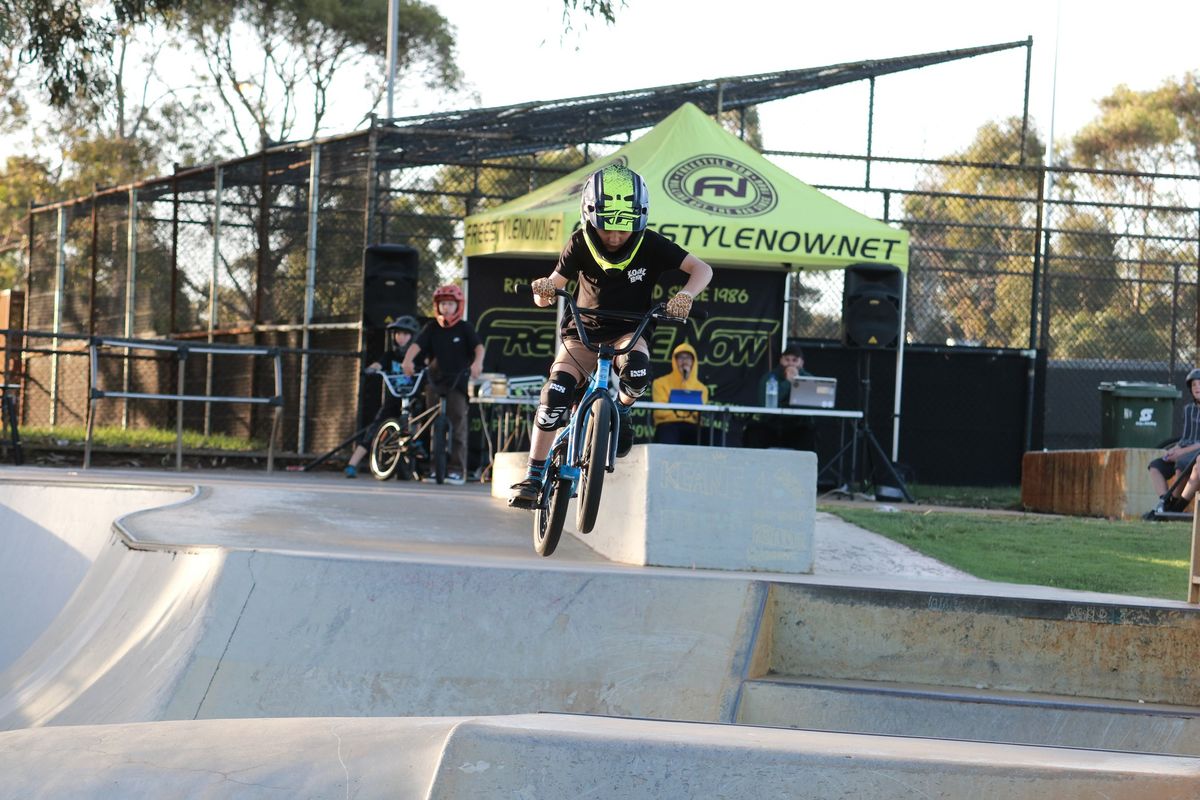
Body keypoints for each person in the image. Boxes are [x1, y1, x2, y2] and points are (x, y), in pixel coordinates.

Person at [507, 163, 713, 509]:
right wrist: (541, 291)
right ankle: (533, 475)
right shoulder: (578, 243)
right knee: (554, 396)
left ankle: (621, 410)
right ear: (590, 218)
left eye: (625, 229)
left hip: (630, 330)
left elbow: (702, 269)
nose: (616, 237)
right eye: (607, 229)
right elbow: (550, 290)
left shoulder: (650, 244)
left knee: (636, 373)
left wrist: (685, 295)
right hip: (583, 332)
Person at [401, 284, 484, 486]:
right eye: (442, 304)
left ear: (458, 306)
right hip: (435, 382)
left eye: (450, 304)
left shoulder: (465, 328)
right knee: (433, 426)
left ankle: (456, 470)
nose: (446, 308)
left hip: (457, 382)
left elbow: (479, 347)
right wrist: (408, 360)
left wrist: (477, 363)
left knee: (457, 426)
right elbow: (416, 345)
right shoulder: (432, 328)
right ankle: (434, 469)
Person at [344, 315, 422, 478]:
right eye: (398, 334)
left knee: (419, 416)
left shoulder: (418, 357)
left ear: (413, 337)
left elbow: (426, 367)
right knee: (375, 428)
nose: (401, 338)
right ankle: (352, 464)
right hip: (393, 399)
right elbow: (378, 364)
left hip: (412, 398)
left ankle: (416, 453)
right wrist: (371, 369)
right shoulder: (390, 355)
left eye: (406, 334)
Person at [1145, 367, 1200, 516]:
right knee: (1155, 466)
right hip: (1185, 450)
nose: (1197, 388)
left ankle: (1174, 507)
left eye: (1199, 384)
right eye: (1194, 385)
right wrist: (1175, 449)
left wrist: (1182, 452)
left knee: (1181, 463)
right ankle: (1165, 501)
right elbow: (1186, 437)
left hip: (1194, 454)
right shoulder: (1188, 409)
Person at [742, 343, 817, 452]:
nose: (790, 363)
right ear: (781, 360)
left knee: (809, 434)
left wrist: (798, 381)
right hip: (771, 426)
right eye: (787, 359)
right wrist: (788, 382)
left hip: (797, 427)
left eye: (794, 360)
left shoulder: (809, 379)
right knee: (753, 432)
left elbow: (815, 405)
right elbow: (765, 405)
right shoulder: (769, 378)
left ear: (802, 362)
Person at [651, 342, 708, 444]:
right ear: (674, 360)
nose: (684, 361)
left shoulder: (702, 388)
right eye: (681, 357)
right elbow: (660, 412)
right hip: (668, 425)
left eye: (688, 358)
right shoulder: (659, 383)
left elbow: (699, 415)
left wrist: (686, 382)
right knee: (668, 433)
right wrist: (687, 413)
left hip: (692, 428)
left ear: (694, 362)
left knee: (710, 435)